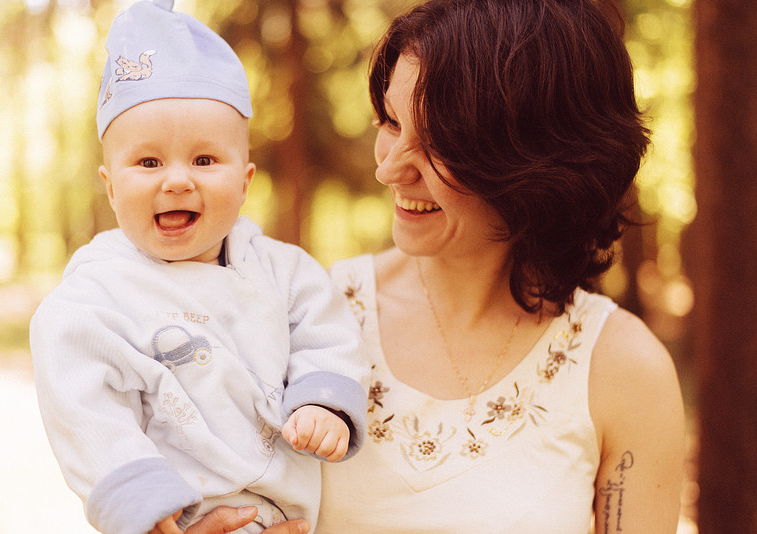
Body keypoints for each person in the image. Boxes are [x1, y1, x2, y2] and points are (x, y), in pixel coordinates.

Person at [143, 0, 685, 532]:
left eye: (439, 144)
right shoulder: (303, 318)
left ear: (538, 162)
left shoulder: (622, 369)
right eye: (391, 121)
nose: (390, 169)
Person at [29, 2, 368, 534]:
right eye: (148, 162)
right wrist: (140, 504)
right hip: (178, 514)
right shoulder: (95, 293)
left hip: (284, 512)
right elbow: (82, 404)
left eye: (205, 160)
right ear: (111, 187)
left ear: (245, 181)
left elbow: (328, 334)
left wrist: (323, 403)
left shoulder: (284, 272)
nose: (177, 180)